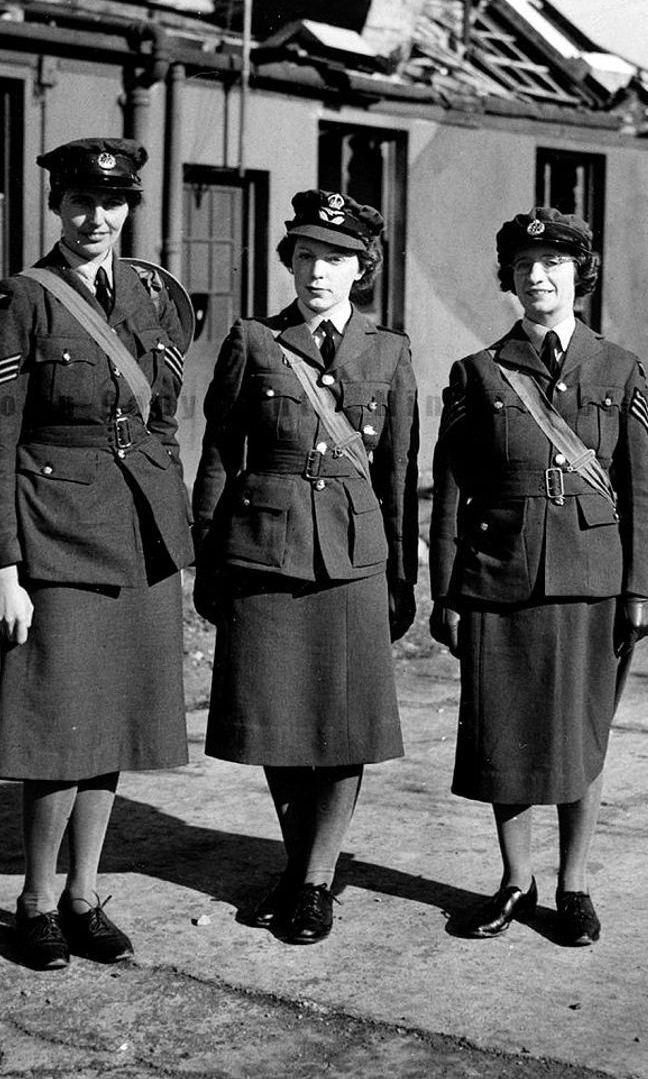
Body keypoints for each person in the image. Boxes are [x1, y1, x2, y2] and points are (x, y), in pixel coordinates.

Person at [0, 137, 194, 970]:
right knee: (55, 727)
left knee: (116, 725)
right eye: (78, 203)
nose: (95, 218)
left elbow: (162, 415)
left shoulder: (155, 295)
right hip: (56, 536)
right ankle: (32, 899)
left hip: (136, 533)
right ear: (55, 206)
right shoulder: (20, 299)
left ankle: (83, 893)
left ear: (130, 206)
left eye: (112, 203)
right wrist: (2, 564)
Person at [192, 189, 419, 944]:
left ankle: (314, 882)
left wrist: (402, 575)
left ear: (362, 269)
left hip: (354, 557)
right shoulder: (254, 341)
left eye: (337, 258)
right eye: (307, 255)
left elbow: (397, 473)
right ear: (288, 261)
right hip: (265, 551)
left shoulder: (390, 352)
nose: (319, 270)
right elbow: (220, 454)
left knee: (345, 727)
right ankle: (304, 868)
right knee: (277, 719)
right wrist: (209, 556)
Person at [429, 206, 648, 946]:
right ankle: (514, 880)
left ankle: (575, 884)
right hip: (501, 578)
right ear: (510, 280)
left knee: (581, 735)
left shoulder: (620, 368)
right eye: (525, 268)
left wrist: (640, 588)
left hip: (593, 580)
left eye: (554, 266)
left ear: (579, 275)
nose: (538, 278)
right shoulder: (480, 372)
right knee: (506, 736)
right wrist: (446, 591)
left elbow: (644, 491)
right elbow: (452, 494)